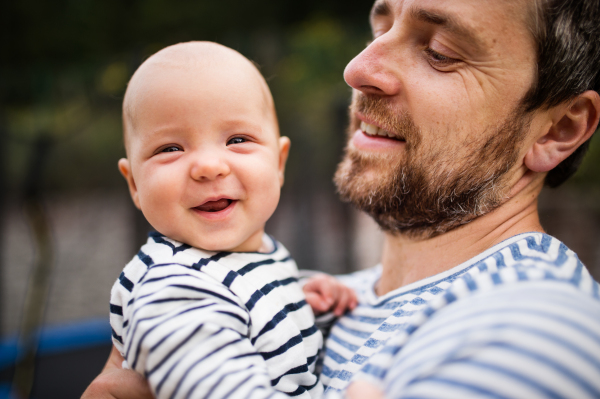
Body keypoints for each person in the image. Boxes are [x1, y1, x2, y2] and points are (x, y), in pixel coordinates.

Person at [83, 0, 600, 398]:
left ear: (558, 128)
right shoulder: (324, 299)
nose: (358, 68)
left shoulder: (533, 331)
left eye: (439, 52)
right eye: (381, 27)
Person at [106, 41, 357, 399]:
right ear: (134, 184)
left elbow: (246, 325)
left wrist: (299, 302)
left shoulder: (251, 257)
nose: (209, 167)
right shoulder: (176, 290)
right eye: (170, 149)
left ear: (279, 163)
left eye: (237, 139)